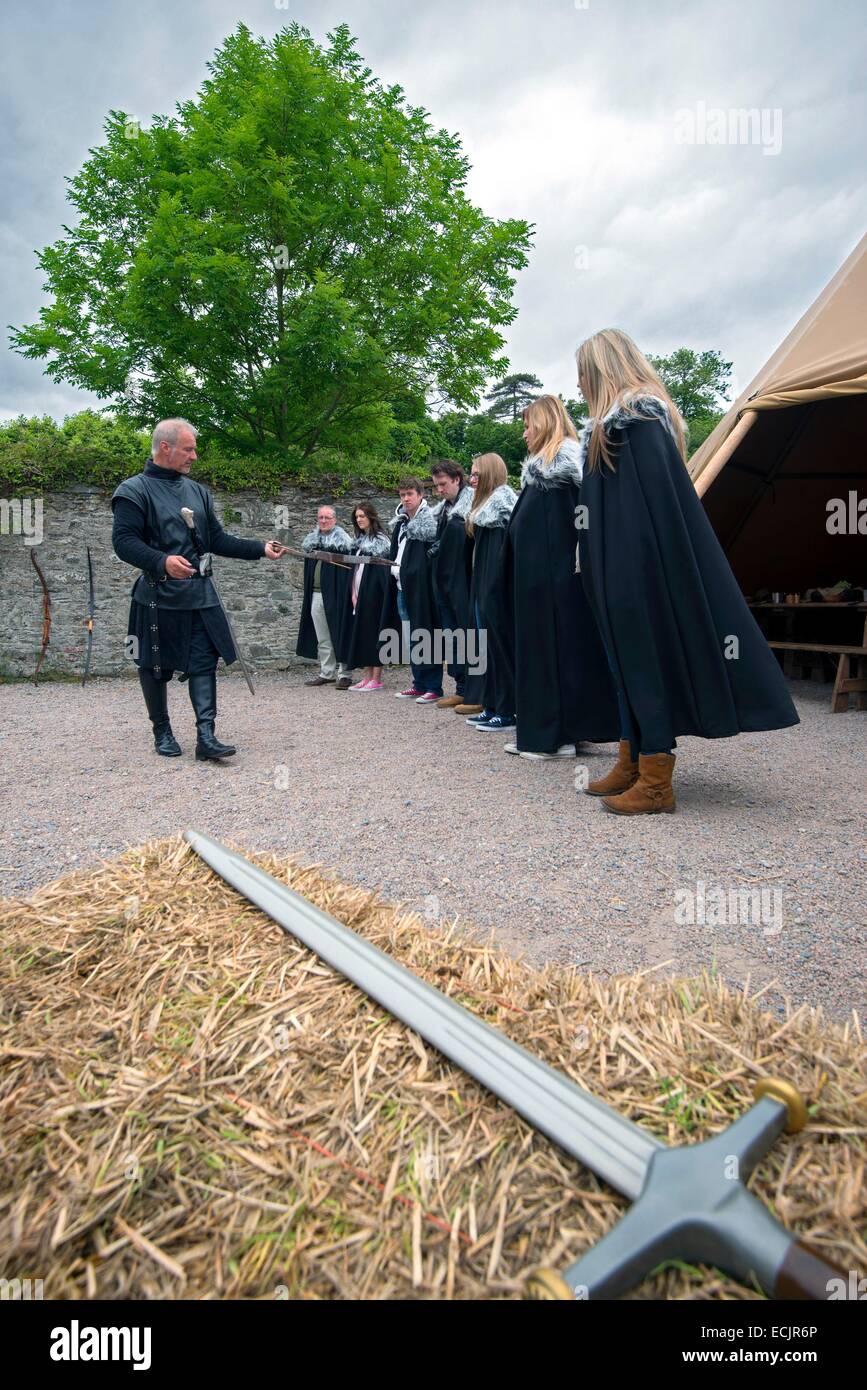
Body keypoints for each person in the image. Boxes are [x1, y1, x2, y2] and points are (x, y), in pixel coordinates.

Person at [575, 328, 800, 815]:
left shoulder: (638, 421)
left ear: (601, 370)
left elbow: (656, 511)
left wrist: (629, 570)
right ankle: (632, 757)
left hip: (637, 570)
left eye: (583, 374)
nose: (577, 385)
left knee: (645, 659)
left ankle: (657, 779)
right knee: (624, 662)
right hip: (614, 569)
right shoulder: (612, 428)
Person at [111, 418, 286, 760]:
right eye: (189, 449)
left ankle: (206, 737)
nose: (194, 456)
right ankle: (162, 732)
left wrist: (259, 548)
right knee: (154, 664)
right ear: (166, 447)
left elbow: (216, 540)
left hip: (200, 595)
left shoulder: (199, 492)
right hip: (157, 596)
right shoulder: (133, 490)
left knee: (204, 661)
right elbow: (123, 542)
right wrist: (162, 561)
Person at [501, 395, 619, 759]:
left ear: (545, 423)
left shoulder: (560, 469)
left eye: (527, 425)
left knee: (550, 651)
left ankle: (549, 737)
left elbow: (571, 529)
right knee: (559, 651)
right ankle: (565, 731)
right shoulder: (544, 471)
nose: (523, 434)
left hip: (551, 582)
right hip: (545, 581)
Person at [461, 453, 517, 733]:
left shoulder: (502, 504)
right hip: (483, 587)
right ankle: (493, 705)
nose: (471, 480)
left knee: (500, 648)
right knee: (488, 648)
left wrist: (491, 590)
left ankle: (507, 710)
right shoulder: (485, 507)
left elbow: (501, 559)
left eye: (476, 475)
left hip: (495, 588)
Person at [383, 478, 443, 703]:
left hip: (422, 587)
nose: (405, 499)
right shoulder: (401, 522)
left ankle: (434, 687)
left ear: (420, 495)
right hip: (401, 586)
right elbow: (396, 551)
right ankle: (418, 683)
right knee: (411, 637)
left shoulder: (429, 521)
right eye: (402, 495)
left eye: (409, 494)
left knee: (426, 633)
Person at [428, 460, 474, 708]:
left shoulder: (472, 507)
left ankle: (475, 692)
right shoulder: (444, 511)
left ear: (457, 479)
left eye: (443, 484)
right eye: (436, 486)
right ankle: (462, 687)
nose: (440, 491)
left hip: (463, 582)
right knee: (453, 636)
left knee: (467, 636)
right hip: (445, 583)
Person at [296, 505, 353, 689]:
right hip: (316, 594)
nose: (323, 521)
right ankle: (327, 672)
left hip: (337, 596)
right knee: (323, 636)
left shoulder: (343, 543)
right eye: (320, 517)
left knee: (340, 632)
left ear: (335, 520)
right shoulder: (312, 542)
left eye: (327, 517)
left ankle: (344, 674)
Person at [343, 503, 392, 691]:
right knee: (363, 634)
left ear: (371, 517)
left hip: (374, 595)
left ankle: (376, 678)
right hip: (359, 592)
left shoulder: (381, 541)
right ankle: (367, 676)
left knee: (375, 633)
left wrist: (370, 593)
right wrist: (354, 592)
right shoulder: (359, 541)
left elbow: (382, 573)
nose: (359, 520)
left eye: (362, 516)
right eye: (356, 517)